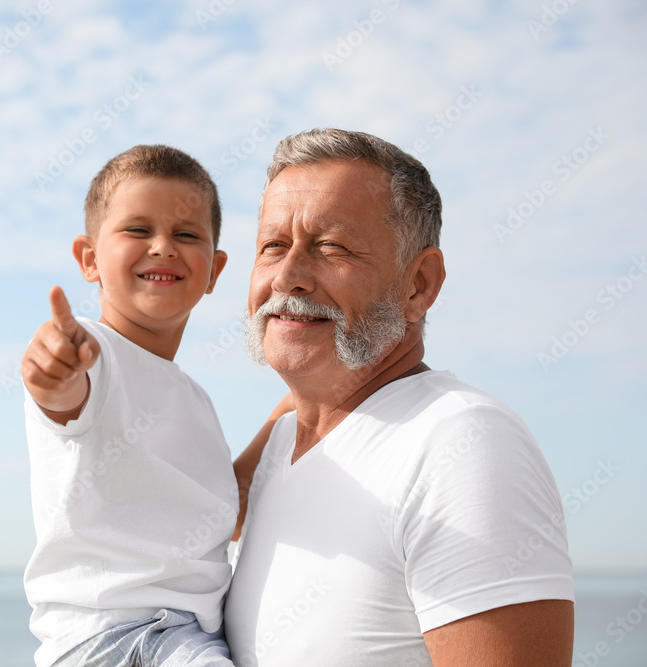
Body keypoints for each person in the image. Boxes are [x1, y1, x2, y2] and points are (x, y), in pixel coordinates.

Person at [225, 128, 575, 666]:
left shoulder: (464, 444)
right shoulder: (277, 447)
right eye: (273, 246)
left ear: (419, 284)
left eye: (331, 247)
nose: (289, 276)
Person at [21, 145, 239, 666]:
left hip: (179, 637)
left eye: (186, 234)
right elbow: (65, 401)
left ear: (214, 270)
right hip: (114, 639)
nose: (163, 246)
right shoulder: (94, 354)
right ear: (90, 259)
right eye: (138, 230)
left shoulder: (196, 400)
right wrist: (54, 372)